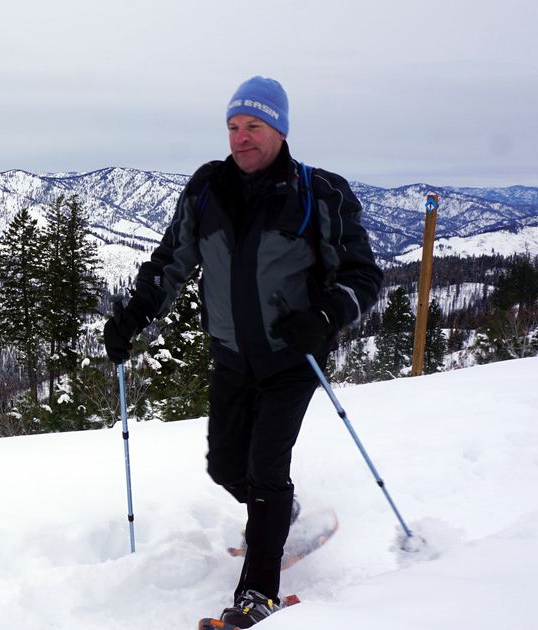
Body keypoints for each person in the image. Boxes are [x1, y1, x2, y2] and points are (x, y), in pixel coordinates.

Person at [103, 76, 383, 628]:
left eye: (253, 126)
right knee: (225, 465)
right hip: (231, 357)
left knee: (264, 471)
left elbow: (362, 275)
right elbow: (170, 264)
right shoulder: (208, 190)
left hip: (291, 361)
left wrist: (326, 315)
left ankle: (258, 593)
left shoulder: (318, 193)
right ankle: (280, 518)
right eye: (233, 126)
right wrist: (133, 317)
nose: (241, 137)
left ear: (279, 129)